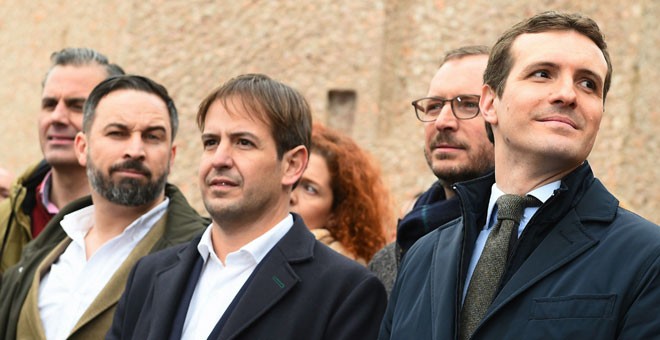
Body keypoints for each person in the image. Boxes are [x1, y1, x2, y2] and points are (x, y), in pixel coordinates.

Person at [379, 11, 660, 339]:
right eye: (543, 74)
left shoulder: (645, 258)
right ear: (490, 103)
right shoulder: (422, 257)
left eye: (588, 84)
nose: (567, 95)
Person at [107, 74, 387, 340]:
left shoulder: (345, 291)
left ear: (292, 165)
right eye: (211, 142)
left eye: (243, 143)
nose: (220, 159)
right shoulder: (149, 274)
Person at [0, 75, 208, 339]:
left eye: (152, 136)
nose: (135, 150)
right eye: (117, 133)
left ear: (171, 156)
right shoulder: (43, 252)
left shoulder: (201, 255)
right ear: (82, 148)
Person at [369, 45, 494, 296]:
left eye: (468, 105)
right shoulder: (388, 261)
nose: (443, 122)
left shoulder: (521, 244)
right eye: (434, 106)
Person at [0, 48, 125, 273]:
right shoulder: (7, 218)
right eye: (49, 104)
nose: (57, 117)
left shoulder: (144, 221)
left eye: (77, 106)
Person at [290, 123, 391, 264]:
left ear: (334, 214)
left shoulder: (342, 275)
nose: (291, 195)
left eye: (310, 189)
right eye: (290, 176)